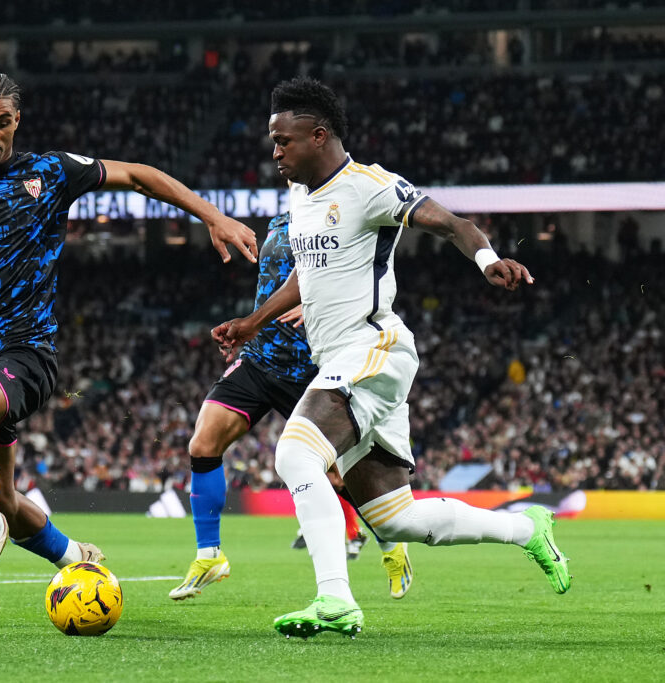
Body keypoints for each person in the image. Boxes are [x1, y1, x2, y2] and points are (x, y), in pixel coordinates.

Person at [0, 70, 258, 596]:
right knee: (5, 498)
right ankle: (78, 557)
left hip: (27, 353)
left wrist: (213, 216)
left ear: (17, 122)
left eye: (2, 123)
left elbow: (140, 175)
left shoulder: (50, 172)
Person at [215, 77, 569, 639]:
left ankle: (335, 600)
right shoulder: (301, 195)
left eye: (283, 141)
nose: (274, 152)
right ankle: (526, 528)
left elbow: (452, 222)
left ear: (319, 135)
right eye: (272, 140)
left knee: (297, 454)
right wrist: (252, 322)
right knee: (394, 517)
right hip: (341, 358)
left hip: (373, 346)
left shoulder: (368, 186)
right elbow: (306, 275)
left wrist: (487, 260)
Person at [169, 212, 413, 602]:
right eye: (277, 147)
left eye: (285, 146)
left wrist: (324, 300)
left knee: (339, 478)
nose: (279, 155)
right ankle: (209, 555)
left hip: (313, 366)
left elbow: (365, 273)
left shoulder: (341, 213)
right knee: (203, 443)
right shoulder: (284, 218)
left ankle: (391, 542)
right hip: (262, 358)